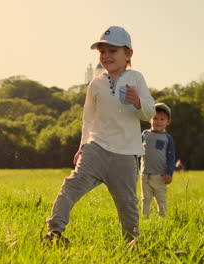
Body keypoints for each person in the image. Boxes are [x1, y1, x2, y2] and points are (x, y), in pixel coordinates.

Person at [44, 26, 155, 245]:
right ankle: (54, 233)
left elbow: (150, 112)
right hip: (96, 148)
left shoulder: (136, 78)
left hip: (125, 154)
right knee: (70, 187)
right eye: (102, 52)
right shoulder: (96, 84)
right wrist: (82, 145)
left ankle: (132, 244)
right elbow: (88, 119)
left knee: (127, 204)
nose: (106, 56)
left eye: (112, 51)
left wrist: (138, 102)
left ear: (128, 54)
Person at [140, 103, 175, 218]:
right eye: (155, 118)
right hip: (145, 174)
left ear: (168, 121)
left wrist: (169, 173)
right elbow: (137, 151)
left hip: (160, 175)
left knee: (161, 198)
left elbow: (171, 157)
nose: (158, 121)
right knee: (145, 198)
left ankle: (163, 218)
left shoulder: (167, 138)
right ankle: (145, 218)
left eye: (162, 119)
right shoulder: (145, 134)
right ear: (150, 119)